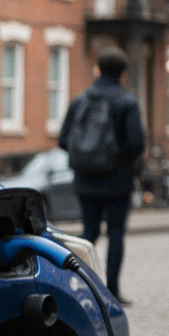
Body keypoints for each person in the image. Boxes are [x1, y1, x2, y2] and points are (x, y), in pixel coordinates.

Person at [58, 46, 146, 305]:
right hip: (118, 180)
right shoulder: (127, 102)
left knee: (89, 231)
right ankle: (112, 291)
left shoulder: (80, 100)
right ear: (123, 72)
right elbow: (136, 143)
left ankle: (74, 286)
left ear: (97, 68)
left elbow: (64, 139)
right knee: (116, 233)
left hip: (85, 179)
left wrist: (87, 158)